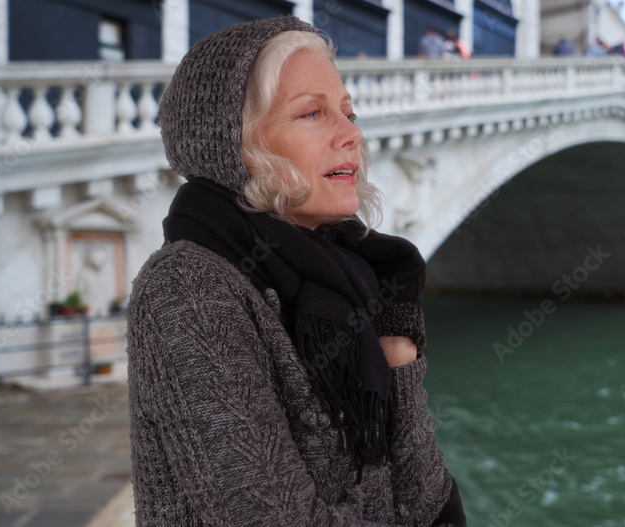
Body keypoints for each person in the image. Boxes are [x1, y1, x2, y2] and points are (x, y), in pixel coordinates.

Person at [126, 17, 466, 526]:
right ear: (230, 143)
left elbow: (431, 506)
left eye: (350, 113)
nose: (352, 134)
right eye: (312, 113)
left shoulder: (360, 275)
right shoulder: (188, 288)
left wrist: (397, 353)